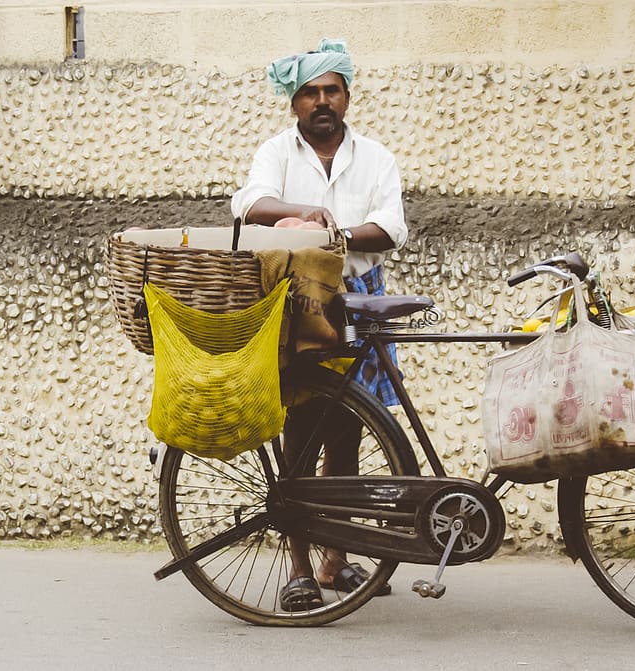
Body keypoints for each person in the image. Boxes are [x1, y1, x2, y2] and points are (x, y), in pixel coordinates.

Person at [230, 39, 407, 611]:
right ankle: (300, 566)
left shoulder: (375, 157)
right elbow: (248, 204)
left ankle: (336, 557)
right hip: (296, 304)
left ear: (347, 98)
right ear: (295, 103)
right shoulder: (277, 153)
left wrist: (338, 238)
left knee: (350, 430)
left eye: (331, 90)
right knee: (300, 430)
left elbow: (390, 227)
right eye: (310, 92)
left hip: (357, 301)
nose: (321, 101)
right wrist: (300, 214)